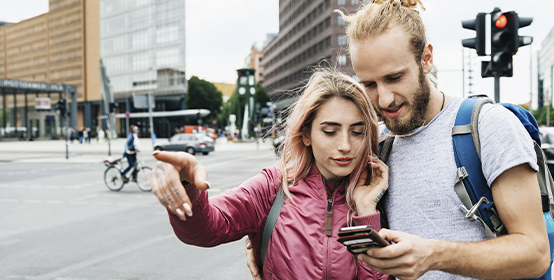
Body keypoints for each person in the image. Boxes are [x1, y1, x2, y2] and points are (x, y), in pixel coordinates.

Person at [245, 1, 550, 279]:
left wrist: (434, 255)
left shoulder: (487, 127)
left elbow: (535, 254)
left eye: (394, 78)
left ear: (426, 59)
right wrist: (265, 240)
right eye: (369, 84)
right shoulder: (379, 145)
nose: (384, 98)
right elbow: (320, 210)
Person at [151, 71, 389, 280]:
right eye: (330, 131)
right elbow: (207, 228)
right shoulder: (273, 188)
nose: (345, 145)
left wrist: (366, 211)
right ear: (305, 134)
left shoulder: (377, 191)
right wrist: (187, 185)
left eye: (358, 132)